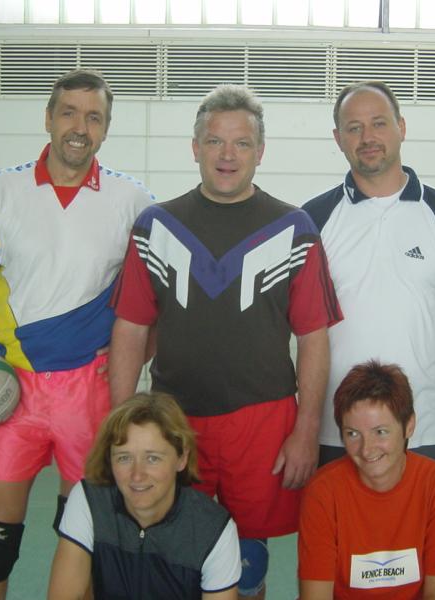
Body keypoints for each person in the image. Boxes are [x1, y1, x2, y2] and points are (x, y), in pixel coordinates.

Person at [0, 69, 155, 599]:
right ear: (48, 119)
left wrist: (138, 359)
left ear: (106, 129)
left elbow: (156, 298)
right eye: (69, 113)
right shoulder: (0, 191)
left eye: (93, 117)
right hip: (14, 391)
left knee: (85, 541)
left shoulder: (134, 201)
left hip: (91, 390)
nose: (80, 127)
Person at [108, 84, 342, 599]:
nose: (227, 155)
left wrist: (306, 429)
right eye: (215, 141)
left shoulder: (295, 229)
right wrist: (120, 429)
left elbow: (314, 337)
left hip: (262, 421)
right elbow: (130, 329)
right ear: (195, 148)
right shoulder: (155, 227)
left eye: (241, 143)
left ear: (261, 151)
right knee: (172, 551)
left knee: (248, 561)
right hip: (174, 420)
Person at [302, 81, 435, 467]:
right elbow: (299, 317)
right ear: (338, 138)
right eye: (354, 127)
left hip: (420, 426)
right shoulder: (313, 219)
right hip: (336, 428)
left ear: (402, 127)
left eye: (379, 123)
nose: (368, 137)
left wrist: (416, 340)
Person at [298, 360, 435, 600]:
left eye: (380, 432)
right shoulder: (322, 492)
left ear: (409, 426)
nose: (367, 449)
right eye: (353, 434)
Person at [47, 392, 241, 600]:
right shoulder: (89, 501)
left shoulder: (214, 530)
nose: (137, 475)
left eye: (152, 458)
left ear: (182, 458)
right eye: (124, 458)